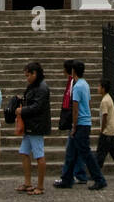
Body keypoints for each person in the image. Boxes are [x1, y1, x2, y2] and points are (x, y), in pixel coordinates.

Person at [54, 61, 106, 191]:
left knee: (86, 153)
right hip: (85, 122)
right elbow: (88, 102)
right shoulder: (85, 84)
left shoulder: (77, 87)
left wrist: (74, 126)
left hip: (80, 124)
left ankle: (99, 179)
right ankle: (66, 179)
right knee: (71, 153)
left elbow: (75, 109)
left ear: (73, 72)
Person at [16, 61, 50, 195]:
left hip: (36, 125)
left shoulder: (41, 88)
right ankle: (28, 182)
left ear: (34, 74)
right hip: (30, 125)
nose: (27, 78)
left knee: (39, 155)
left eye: (28, 75)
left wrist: (22, 111)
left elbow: (37, 107)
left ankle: (40, 186)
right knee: (24, 152)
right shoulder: (34, 86)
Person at [58, 59, 88, 184]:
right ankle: (78, 174)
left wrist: (73, 124)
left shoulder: (75, 85)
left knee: (72, 151)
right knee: (77, 150)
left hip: (77, 121)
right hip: (82, 121)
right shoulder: (81, 83)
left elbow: (74, 105)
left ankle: (70, 176)